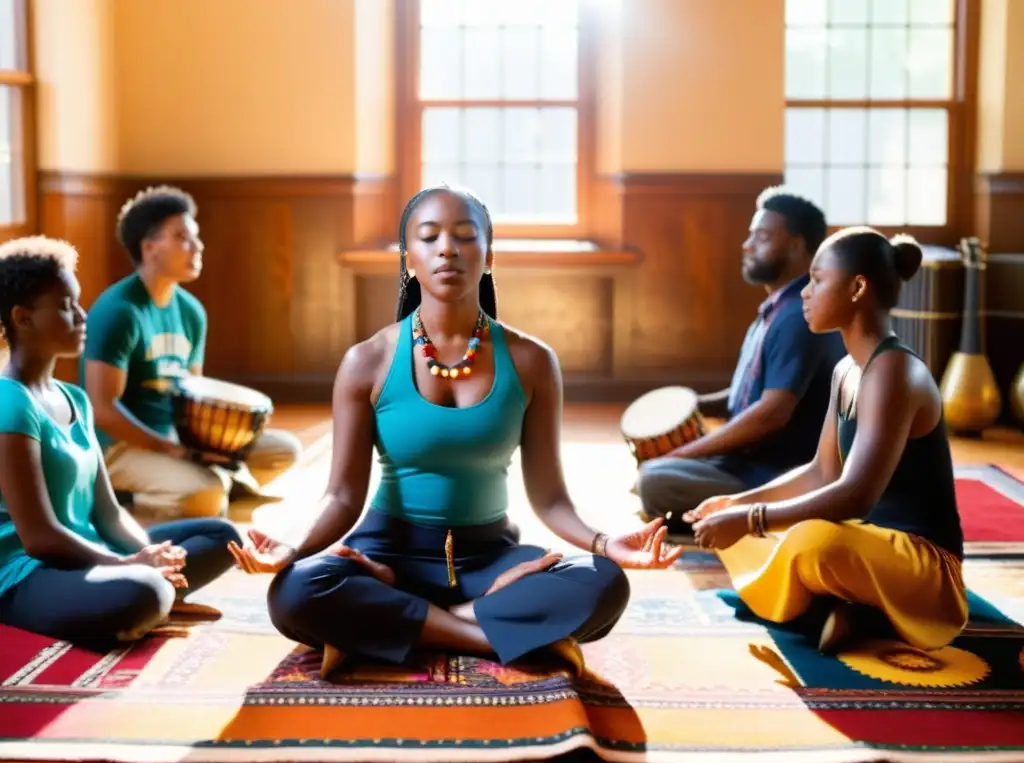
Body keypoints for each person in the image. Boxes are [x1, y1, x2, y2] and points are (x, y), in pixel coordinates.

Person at [229, 185, 683, 678]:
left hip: (490, 560)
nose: (447, 248)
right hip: (386, 555)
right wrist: (293, 548)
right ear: (409, 260)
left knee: (604, 583)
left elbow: (551, 499)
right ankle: (485, 631)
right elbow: (341, 495)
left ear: (487, 257)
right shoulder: (367, 362)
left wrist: (605, 543)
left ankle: (401, 624)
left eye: (466, 236)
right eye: (429, 237)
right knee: (296, 591)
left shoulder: (532, 361)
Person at [685, 227, 967, 655]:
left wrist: (751, 518)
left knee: (811, 540)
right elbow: (821, 471)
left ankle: (841, 606)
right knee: (757, 529)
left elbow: (854, 496)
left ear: (857, 287)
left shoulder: (894, 371)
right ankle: (849, 608)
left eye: (818, 280)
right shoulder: (845, 371)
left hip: (922, 566)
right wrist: (738, 504)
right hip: (863, 546)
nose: (805, 292)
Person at [0, 236, 242, 647]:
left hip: (88, 556)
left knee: (224, 538)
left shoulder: (75, 398)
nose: (82, 316)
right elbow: (39, 537)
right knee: (143, 591)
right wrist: (127, 565)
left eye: (79, 302)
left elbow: (109, 513)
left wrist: (150, 554)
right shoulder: (11, 404)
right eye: (65, 306)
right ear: (23, 318)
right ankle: (147, 597)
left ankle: (149, 593)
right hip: (27, 572)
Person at [81, 186, 302, 520]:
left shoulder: (191, 311)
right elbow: (102, 409)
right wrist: (174, 451)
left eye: (195, 236)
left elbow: (193, 392)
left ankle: (203, 482)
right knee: (207, 494)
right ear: (149, 246)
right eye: (182, 237)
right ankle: (131, 497)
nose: (197, 246)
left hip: (175, 439)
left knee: (283, 450)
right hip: (118, 449)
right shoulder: (119, 311)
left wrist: (223, 436)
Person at [636, 187, 846, 536]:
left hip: (775, 474)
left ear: (796, 246)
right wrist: (690, 406)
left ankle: (752, 517)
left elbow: (770, 413)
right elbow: (749, 393)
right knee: (655, 474)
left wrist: (684, 453)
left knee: (656, 481)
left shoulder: (798, 316)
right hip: (746, 464)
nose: (747, 245)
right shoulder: (779, 308)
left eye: (762, 236)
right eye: (750, 235)